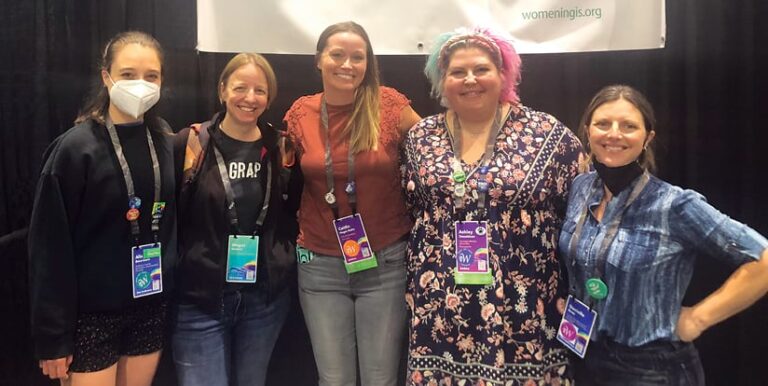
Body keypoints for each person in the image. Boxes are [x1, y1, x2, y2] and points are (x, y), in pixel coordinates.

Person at [401, 26, 583, 385]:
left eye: (481, 69)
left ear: (503, 74)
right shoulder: (421, 137)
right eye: (457, 72)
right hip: (441, 301)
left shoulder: (548, 133)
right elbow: (413, 206)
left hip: (526, 299)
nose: (470, 80)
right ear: (442, 79)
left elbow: (578, 209)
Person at [559, 84, 768, 385]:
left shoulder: (674, 205)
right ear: (588, 131)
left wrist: (698, 319)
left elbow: (762, 259)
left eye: (628, 126)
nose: (614, 134)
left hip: (652, 368)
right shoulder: (580, 188)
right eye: (603, 124)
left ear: (647, 138)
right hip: (584, 353)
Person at [28, 31, 176, 386]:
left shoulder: (164, 140)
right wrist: (53, 336)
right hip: (90, 315)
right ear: (106, 76)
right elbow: (49, 247)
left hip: (148, 304)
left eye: (151, 76)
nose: (140, 84)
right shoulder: (75, 148)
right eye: (128, 74)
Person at [283, 21, 421, 386]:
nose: (347, 64)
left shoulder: (389, 105)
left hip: (386, 263)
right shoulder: (300, 113)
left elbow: (434, 150)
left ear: (368, 63)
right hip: (319, 266)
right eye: (337, 55)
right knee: (333, 379)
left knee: (380, 377)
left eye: (357, 57)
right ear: (318, 60)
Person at [170, 53, 298, 386]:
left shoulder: (283, 147)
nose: (250, 98)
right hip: (200, 300)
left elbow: (294, 211)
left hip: (264, 301)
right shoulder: (190, 144)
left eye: (260, 90)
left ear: (269, 97)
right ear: (223, 89)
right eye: (241, 87)